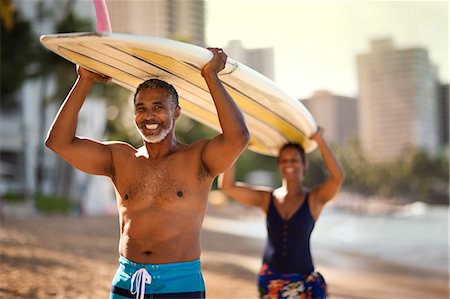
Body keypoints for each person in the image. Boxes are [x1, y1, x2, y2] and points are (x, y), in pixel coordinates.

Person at [45, 48, 249, 299]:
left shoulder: (198, 159)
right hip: (127, 281)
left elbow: (238, 137)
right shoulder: (119, 158)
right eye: (140, 108)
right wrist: (84, 80)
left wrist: (210, 76)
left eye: (158, 106)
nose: (149, 115)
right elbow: (58, 142)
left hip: (180, 284)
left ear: (176, 112)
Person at [218, 127, 344, 299]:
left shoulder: (314, 199)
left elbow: (337, 178)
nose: (289, 164)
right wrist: (237, 144)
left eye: (294, 160)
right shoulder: (267, 198)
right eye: (284, 160)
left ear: (304, 164)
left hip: (302, 282)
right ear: (279, 165)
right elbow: (227, 186)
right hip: (270, 282)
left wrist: (320, 140)